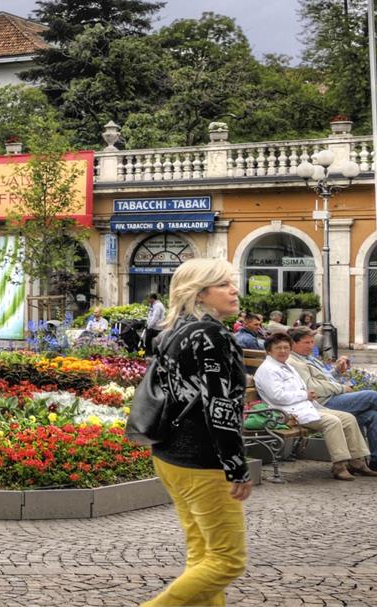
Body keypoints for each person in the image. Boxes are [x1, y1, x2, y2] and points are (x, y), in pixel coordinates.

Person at [142, 258, 251, 607]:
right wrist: (236, 464)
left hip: (169, 453)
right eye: (223, 284)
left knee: (202, 553)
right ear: (201, 293)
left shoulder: (174, 330)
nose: (234, 290)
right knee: (227, 559)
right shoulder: (211, 334)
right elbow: (219, 406)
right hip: (202, 460)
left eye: (232, 283)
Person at [285, 326, 377, 474]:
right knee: (372, 396)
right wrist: (341, 388)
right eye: (307, 342)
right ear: (293, 343)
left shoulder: (308, 358)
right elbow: (313, 388)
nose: (311, 346)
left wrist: (337, 371)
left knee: (374, 415)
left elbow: (325, 380)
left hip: (332, 397)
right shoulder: (294, 362)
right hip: (322, 404)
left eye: (312, 342)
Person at [251, 330, 374, 480]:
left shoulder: (285, 366)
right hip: (287, 413)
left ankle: (357, 461)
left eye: (286, 348)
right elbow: (277, 397)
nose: (283, 351)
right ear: (269, 351)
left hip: (304, 407)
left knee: (348, 418)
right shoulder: (268, 369)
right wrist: (305, 395)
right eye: (278, 348)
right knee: (332, 421)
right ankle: (339, 465)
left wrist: (309, 396)